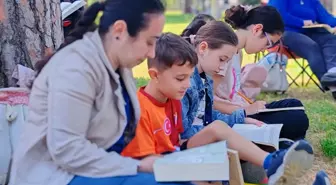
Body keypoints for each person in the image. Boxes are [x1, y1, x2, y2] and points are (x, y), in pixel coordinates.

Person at [8, 1, 193, 185]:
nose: (152, 53)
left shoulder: (120, 66)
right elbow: (67, 150)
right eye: (149, 42)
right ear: (120, 31)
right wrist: (135, 167)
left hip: (100, 168)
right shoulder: (76, 68)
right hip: (58, 175)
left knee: (185, 180)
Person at [121, 32, 314, 185]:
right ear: (154, 75)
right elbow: (144, 164)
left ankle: (272, 162)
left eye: (189, 77)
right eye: (181, 78)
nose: (187, 84)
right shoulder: (140, 109)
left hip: (177, 150)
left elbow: (181, 135)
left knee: (218, 132)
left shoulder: (171, 97)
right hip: (160, 163)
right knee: (214, 160)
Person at [211, 5, 309, 142]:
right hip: (227, 116)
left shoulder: (237, 53)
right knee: (296, 119)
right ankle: (283, 139)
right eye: (268, 43)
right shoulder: (224, 54)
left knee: (294, 104)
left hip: (237, 109)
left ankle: (283, 139)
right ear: (257, 29)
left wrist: (249, 105)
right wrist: (246, 110)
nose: (265, 50)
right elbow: (207, 103)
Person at [268, 0, 336, 82]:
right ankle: (329, 82)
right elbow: (277, 15)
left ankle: (333, 71)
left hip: (309, 31)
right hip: (285, 33)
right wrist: (301, 22)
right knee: (311, 46)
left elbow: (326, 18)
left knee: (330, 38)